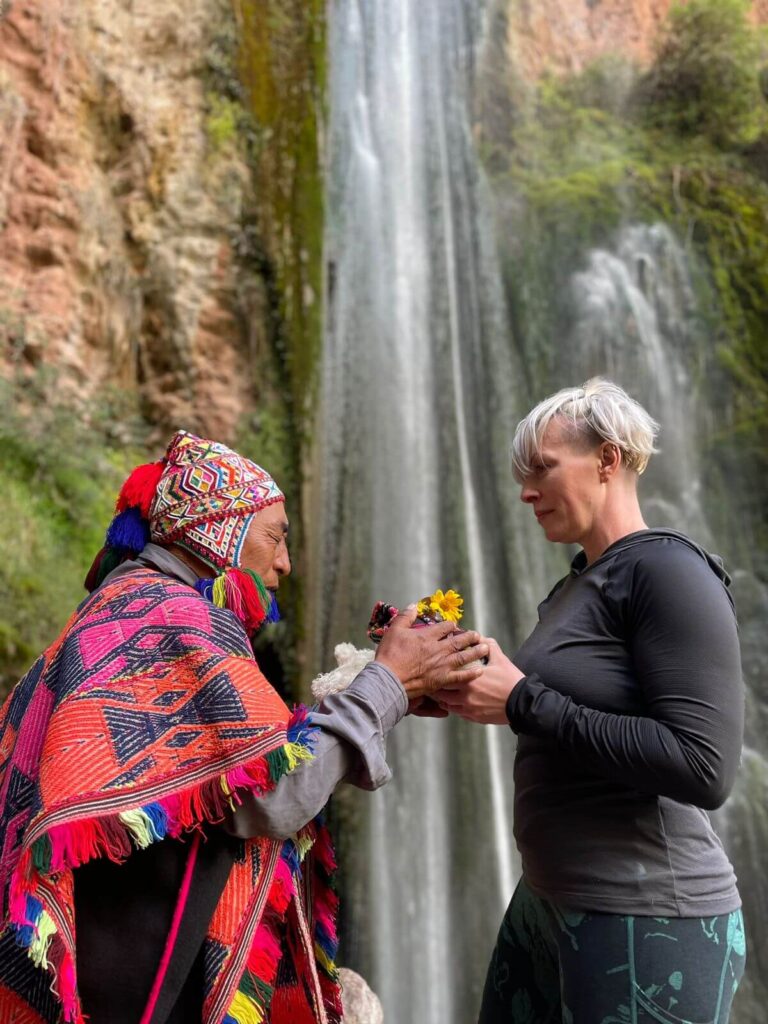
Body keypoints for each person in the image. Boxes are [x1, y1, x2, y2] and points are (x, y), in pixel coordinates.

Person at [0, 429, 488, 1024]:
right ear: (219, 531)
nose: (285, 562)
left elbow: (243, 762)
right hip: (133, 979)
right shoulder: (181, 621)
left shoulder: (125, 609)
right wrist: (384, 686)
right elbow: (274, 798)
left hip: (107, 952)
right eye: (275, 537)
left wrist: (390, 689)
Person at [435, 379, 746, 1024]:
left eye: (542, 469)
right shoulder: (578, 583)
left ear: (608, 459)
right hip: (549, 898)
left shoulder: (667, 570)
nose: (525, 491)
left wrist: (523, 700)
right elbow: (553, 710)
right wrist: (466, 684)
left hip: (648, 912)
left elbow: (704, 766)